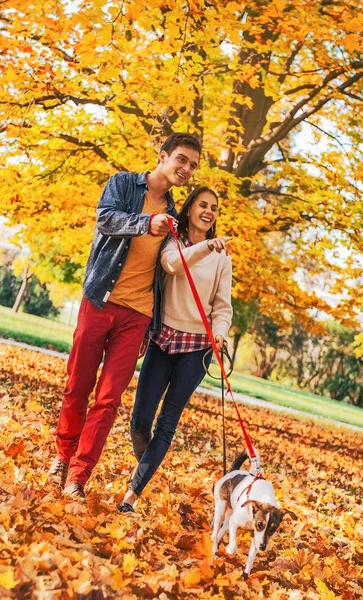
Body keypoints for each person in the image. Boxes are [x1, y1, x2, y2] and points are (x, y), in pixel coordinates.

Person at [48, 132, 202, 499]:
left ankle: (78, 477)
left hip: (138, 315)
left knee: (108, 399)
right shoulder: (122, 184)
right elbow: (105, 219)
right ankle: (62, 456)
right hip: (100, 300)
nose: (186, 169)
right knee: (77, 386)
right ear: (162, 155)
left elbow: (171, 264)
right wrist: (145, 224)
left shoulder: (176, 214)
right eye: (181, 159)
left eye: (193, 165)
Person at [118, 186, 232, 513]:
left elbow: (223, 307)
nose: (208, 211)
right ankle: (146, 462)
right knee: (140, 422)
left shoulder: (222, 256)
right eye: (202, 205)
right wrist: (206, 246)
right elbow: (172, 265)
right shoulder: (172, 239)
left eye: (213, 207)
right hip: (163, 338)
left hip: (196, 348)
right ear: (189, 208)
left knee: (167, 423)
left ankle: (132, 495)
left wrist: (220, 332)